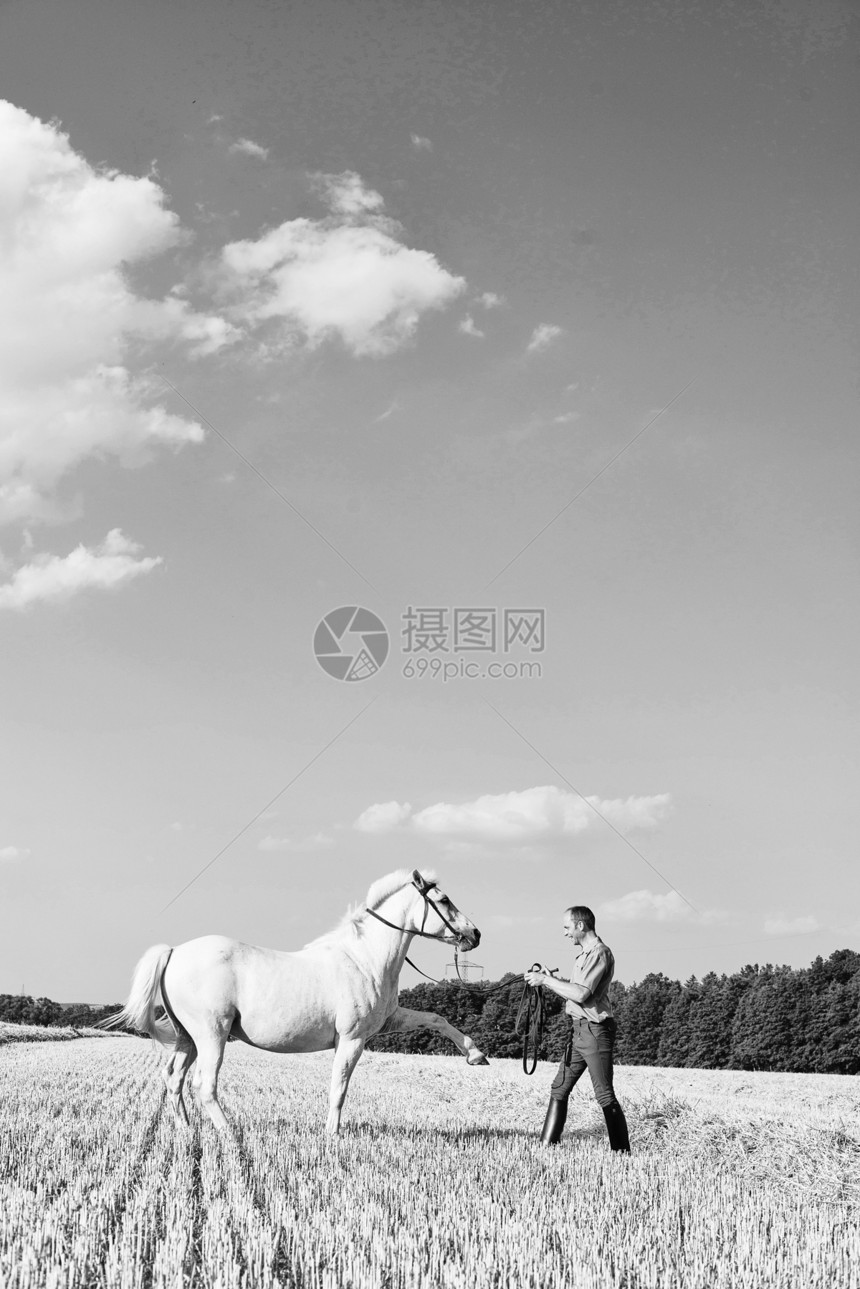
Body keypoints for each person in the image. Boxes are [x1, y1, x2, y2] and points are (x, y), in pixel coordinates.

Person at [524, 905, 630, 1152]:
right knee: (559, 1088)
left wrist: (546, 981)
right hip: (579, 1031)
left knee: (604, 1094)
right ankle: (547, 1147)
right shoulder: (584, 955)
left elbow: (581, 994)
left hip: (594, 1031)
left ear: (580, 926)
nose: (565, 933)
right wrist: (553, 981)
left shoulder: (599, 953)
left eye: (567, 927)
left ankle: (623, 1155)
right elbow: (575, 991)